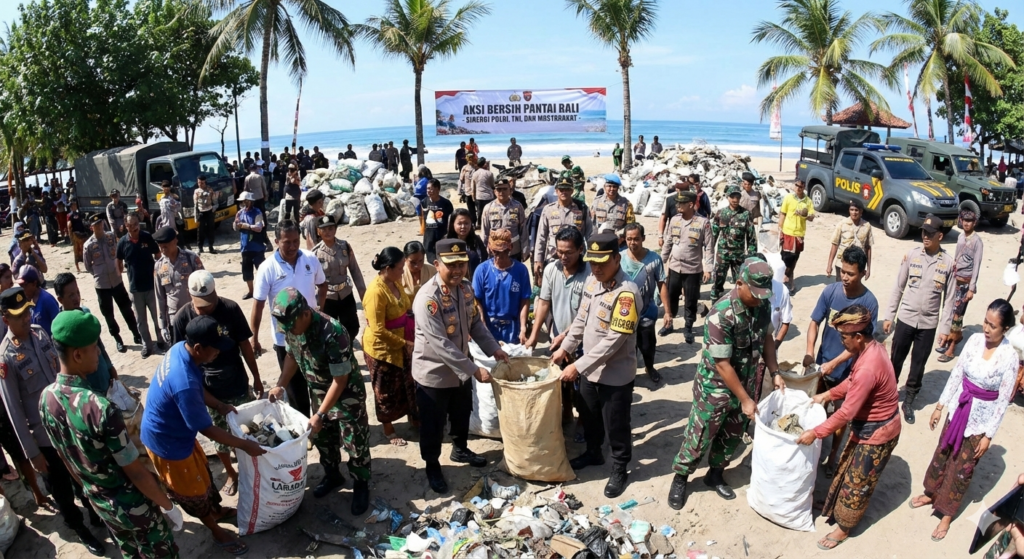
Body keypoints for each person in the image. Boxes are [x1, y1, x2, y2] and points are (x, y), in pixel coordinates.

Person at [40, 310, 182, 558]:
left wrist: (88, 489)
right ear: (77, 354)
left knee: (129, 551)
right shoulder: (99, 408)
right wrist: (167, 505)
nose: (98, 353)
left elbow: (66, 458)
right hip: (133, 505)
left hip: (101, 503)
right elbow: (135, 471)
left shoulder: (46, 399)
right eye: (94, 347)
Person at [142, 315, 266, 556]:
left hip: (181, 435)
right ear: (198, 348)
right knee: (193, 494)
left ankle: (216, 511)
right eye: (215, 348)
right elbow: (207, 429)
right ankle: (216, 532)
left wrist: (219, 405)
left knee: (204, 479)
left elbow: (197, 388)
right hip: (168, 445)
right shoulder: (183, 380)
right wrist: (244, 445)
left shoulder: (181, 349)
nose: (218, 352)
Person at [0, 286, 108, 554]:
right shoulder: (6, 358)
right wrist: (32, 452)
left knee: (83, 473)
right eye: (18, 315)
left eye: (26, 311)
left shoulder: (40, 333)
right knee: (61, 488)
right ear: (5, 320)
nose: (26, 318)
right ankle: (79, 527)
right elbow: (14, 411)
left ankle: (94, 514)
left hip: (69, 422)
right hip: (45, 436)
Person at [667, 258, 780, 510]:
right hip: (715, 388)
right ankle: (681, 477)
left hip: (745, 384)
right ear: (739, 283)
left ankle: (715, 474)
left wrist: (775, 371)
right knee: (700, 434)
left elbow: (768, 338)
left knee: (733, 433)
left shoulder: (761, 305)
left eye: (764, 294)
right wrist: (745, 399)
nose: (760, 299)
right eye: (755, 293)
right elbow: (722, 364)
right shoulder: (721, 314)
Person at [908, 299, 1018, 542]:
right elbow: (958, 372)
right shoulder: (975, 340)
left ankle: (946, 512)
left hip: (980, 419)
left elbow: (1002, 401)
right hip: (958, 409)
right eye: (985, 322)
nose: (986, 329)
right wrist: (940, 406)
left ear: (1005, 329)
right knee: (942, 453)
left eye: (993, 326)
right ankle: (931, 492)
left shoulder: (1009, 356)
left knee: (962, 469)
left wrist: (989, 435)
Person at [796, 305, 901, 551]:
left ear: (859, 337)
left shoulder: (868, 367)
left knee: (858, 482)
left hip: (878, 432)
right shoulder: (870, 350)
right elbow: (851, 383)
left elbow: (847, 412)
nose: (841, 341)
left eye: (844, 337)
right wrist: (827, 395)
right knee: (846, 467)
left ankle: (843, 529)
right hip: (865, 426)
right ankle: (833, 506)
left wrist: (816, 432)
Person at [551, 233, 643, 498]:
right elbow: (580, 320)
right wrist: (565, 348)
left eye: (603, 262)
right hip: (590, 370)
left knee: (616, 424)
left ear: (617, 258)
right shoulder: (593, 282)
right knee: (589, 415)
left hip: (615, 375)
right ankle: (593, 453)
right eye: (592, 262)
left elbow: (614, 342)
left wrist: (577, 366)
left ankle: (619, 468)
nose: (596, 268)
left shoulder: (627, 294)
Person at [413, 239, 508, 493]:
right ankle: (432, 465)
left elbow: (475, 324)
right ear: (436, 264)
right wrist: (474, 370)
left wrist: (494, 348)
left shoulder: (465, 288)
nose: (457, 270)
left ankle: (460, 450)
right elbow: (442, 345)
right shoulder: (427, 299)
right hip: (433, 374)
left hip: (462, 370)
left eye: (462, 264)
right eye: (451, 265)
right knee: (433, 424)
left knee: (461, 411)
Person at [268, 287, 372, 514]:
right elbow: (291, 356)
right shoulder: (292, 326)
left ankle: (361, 484)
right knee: (325, 440)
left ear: (305, 313)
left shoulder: (333, 332)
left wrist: (320, 414)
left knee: (355, 442)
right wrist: (280, 385)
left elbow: (340, 379)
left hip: (346, 397)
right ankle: (333, 475)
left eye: (291, 326)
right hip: (319, 393)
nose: (289, 331)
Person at [170, 271, 262, 498]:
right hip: (208, 389)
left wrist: (256, 377)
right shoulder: (182, 319)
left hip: (237, 381)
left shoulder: (230, 309)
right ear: (190, 297)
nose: (205, 309)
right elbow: (180, 359)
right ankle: (232, 473)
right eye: (200, 306)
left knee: (250, 429)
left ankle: (253, 469)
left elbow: (245, 346)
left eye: (209, 303)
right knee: (219, 438)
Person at [804, 245, 878, 473]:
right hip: (821, 365)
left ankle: (832, 456)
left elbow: (861, 345)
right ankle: (814, 447)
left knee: (840, 415)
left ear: (863, 273)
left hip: (847, 371)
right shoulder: (830, 292)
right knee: (816, 405)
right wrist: (809, 351)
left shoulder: (869, 303)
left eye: (851, 273)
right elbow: (814, 322)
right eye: (842, 271)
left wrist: (835, 363)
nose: (845, 277)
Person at [882, 214, 956, 423]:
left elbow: (949, 300)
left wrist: (944, 329)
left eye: (930, 234)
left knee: (918, 364)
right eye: (924, 232)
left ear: (940, 236)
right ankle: (888, 396)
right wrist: (890, 316)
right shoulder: (911, 256)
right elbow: (898, 287)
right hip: (906, 318)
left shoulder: (949, 264)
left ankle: (908, 401)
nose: (925, 236)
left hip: (928, 323)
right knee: (895, 358)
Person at [251, 220, 326, 417]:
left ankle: (321, 424)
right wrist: (255, 337)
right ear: (276, 241)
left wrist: (319, 311)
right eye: (287, 242)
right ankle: (303, 430)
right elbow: (258, 305)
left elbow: (323, 285)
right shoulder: (267, 268)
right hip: (285, 340)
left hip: (313, 335)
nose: (292, 246)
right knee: (295, 389)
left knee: (319, 383)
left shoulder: (310, 259)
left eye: (295, 241)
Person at [363, 247, 417, 446]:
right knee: (385, 390)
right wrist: (405, 343)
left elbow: (406, 305)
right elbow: (377, 329)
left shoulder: (395, 282)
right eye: (401, 267)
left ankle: (412, 416)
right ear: (387, 268)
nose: (403, 271)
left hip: (403, 341)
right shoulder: (376, 292)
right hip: (382, 349)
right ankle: (388, 428)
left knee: (406, 384)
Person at [52, 273, 120, 395]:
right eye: (71, 295)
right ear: (60, 300)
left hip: (104, 377)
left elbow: (100, 346)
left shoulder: (85, 314)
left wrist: (111, 370)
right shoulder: (61, 329)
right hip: (88, 389)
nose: (76, 298)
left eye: (77, 292)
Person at [660, 192, 713, 343]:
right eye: (677, 203)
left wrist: (708, 268)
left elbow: (709, 247)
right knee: (671, 297)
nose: (677, 206)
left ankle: (688, 327)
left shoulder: (703, 223)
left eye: (681, 203)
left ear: (690, 205)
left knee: (690, 301)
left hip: (693, 269)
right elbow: (668, 241)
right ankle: (669, 323)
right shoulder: (675, 220)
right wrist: (661, 261)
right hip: (675, 267)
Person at [83, 214, 141, 353]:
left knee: (127, 308)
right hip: (102, 285)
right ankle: (118, 339)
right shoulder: (88, 245)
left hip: (116, 280)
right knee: (108, 314)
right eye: (96, 225)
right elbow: (87, 266)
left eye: (100, 223)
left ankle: (136, 334)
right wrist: (99, 273)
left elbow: (118, 253)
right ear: (92, 227)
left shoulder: (110, 237)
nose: (99, 226)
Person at [620, 224, 669, 383]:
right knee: (627, 348)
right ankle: (629, 374)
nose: (632, 242)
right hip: (625, 313)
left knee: (647, 345)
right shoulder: (619, 259)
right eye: (629, 239)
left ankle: (650, 367)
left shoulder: (654, 259)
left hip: (647, 311)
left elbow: (662, 284)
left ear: (643, 239)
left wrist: (667, 312)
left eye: (636, 239)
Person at [938, 210, 984, 362]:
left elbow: (977, 265)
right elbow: (956, 258)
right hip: (955, 280)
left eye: (969, 221)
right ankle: (948, 339)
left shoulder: (977, 241)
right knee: (950, 311)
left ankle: (951, 349)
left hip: (966, 283)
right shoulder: (960, 236)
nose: (966, 223)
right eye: (964, 220)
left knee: (958, 315)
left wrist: (972, 288)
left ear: (974, 223)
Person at [473, 230, 531, 344]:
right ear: (490, 248)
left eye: (504, 252)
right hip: (490, 325)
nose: (500, 256)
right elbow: (477, 299)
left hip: (513, 327)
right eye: (496, 252)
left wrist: (523, 327)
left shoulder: (521, 270)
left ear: (511, 248)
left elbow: (525, 300)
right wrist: (482, 324)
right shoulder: (482, 270)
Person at [115, 214, 161, 358]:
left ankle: (161, 341)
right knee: (141, 320)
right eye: (131, 225)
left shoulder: (147, 237)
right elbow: (118, 260)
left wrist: (157, 271)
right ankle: (147, 346)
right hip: (135, 288)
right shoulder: (123, 242)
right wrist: (120, 274)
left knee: (157, 316)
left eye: (136, 223)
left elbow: (158, 254)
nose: (135, 227)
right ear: (126, 226)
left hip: (151, 285)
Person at [314, 216, 366, 339]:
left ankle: (348, 346)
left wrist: (363, 295)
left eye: (331, 228)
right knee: (329, 330)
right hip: (327, 297)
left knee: (352, 327)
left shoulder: (345, 247)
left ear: (336, 229)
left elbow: (355, 271)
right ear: (318, 231)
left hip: (345, 294)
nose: (328, 232)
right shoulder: (315, 254)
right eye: (324, 229)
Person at [533, 178, 593, 284]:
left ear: (572, 190)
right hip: (553, 258)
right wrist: (538, 260)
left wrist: (592, 257)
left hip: (576, 258)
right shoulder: (548, 210)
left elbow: (590, 234)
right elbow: (541, 237)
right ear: (556, 191)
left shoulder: (582, 208)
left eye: (567, 189)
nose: (564, 192)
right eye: (561, 189)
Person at [153, 227, 204, 350]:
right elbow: (160, 297)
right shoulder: (159, 266)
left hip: (195, 316)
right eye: (160, 246)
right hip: (174, 320)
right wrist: (163, 326)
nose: (162, 250)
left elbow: (204, 286)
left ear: (175, 241)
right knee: (181, 353)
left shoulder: (191, 258)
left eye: (165, 246)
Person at [710, 186, 757, 302]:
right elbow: (713, 235)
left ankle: (739, 304)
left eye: (737, 197)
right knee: (718, 280)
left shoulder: (746, 214)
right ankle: (714, 303)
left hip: (738, 255)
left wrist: (751, 256)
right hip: (722, 255)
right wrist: (709, 253)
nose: (735, 200)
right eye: (732, 197)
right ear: (727, 197)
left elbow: (751, 237)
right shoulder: (721, 214)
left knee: (740, 282)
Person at [777, 180, 815, 292]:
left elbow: (812, 216)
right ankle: (784, 280)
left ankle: (789, 281)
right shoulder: (788, 198)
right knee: (785, 258)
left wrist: (806, 215)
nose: (798, 188)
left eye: (801, 186)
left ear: (804, 188)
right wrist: (780, 229)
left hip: (799, 234)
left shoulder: (807, 201)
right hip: (787, 232)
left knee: (794, 258)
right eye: (796, 185)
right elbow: (783, 213)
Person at [826, 198, 873, 281]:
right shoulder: (842, 224)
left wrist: (868, 268)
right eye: (851, 210)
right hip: (842, 263)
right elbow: (834, 244)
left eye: (856, 210)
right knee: (840, 287)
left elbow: (868, 248)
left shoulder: (867, 226)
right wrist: (829, 265)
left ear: (861, 211)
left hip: (858, 264)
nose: (854, 213)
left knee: (854, 289)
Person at [481, 178, 528, 261]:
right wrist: (484, 250)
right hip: (495, 250)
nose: (501, 192)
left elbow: (523, 230)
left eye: (505, 189)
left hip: (513, 250)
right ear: (494, 191)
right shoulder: (488, 208)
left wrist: (524, 250)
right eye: (498, 189)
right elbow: (485, 231)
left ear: (510, 190)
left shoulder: (517, 206)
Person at [233, 192, 267, 300]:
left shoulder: (257, 212)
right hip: (245, 247)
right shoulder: (240, 213)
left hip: (257, 247)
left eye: (245, 201)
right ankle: (251, 291)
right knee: (247, 271)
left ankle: (265, 291)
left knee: (262, 270)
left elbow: (259, 227)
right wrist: (236, 223)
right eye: (242, 201)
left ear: (250, 202)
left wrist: (245, 226)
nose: (243, 203)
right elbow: (235, 228)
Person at [16, 265, 58, 335]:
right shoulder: (25, 300)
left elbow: (58, 326)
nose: (22, 289)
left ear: (34, 283)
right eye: (20, 285)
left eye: (25, 285)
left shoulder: (47, 300)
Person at [447, 209, 487, 277]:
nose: (463, 227)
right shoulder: (446, 242)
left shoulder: (476, 240)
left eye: (466, 223)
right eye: (459, 224)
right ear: (452, 224)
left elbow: (484, 259)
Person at [422, 178, 453, 262]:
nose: (428, 191)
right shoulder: (424, 202)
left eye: (431, 189)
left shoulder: (446, 203)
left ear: (438, 189)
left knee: (442, 258)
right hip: (429, 236)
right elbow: (423, 218)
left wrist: (447, 234)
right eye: (427, 188)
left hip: (441, 235)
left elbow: (451, 220)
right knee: (430, 259)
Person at [193, 175, 217, 254]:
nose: (200, 184)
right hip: (201, 213)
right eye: (199, 182)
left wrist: (213, 209)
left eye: (202, 183)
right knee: (200, 231)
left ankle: (211, 247)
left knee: (211, 230)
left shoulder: (209, 189)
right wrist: (196, 216)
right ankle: (200, 247)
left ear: (205, 182)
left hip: (209, 212)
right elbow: (195, 204)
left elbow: (214, 200)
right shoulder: (196, 191)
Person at [472, 157, 496, 226]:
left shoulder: (475, 174)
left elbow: (473, 187)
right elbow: (492, 185)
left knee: (480, 212)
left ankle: (479, 225)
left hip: (479, 196)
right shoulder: (489, 173)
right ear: (484, 164)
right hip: (488, 196)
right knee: (489, 212)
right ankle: (489, 224)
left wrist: (473, 197)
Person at [68, 204, 89, 273]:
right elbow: (69, 226)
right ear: (71, 208)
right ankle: (77, 267)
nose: (74, 207)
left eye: (75, 206)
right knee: (77, 251)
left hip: (82, 234)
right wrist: (71, 236)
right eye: (72, 206)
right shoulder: (70, 216)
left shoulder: (80, 214)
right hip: (75, 235)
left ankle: (87, 264)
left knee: (84, 250)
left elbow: (84, 222)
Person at [458, 155, 478, 226]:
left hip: (476, 191)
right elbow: (461, 179)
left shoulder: (476, 167)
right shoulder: (464, 167)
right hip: (467, 191)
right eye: (469, 158)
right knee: (471, 208)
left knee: (478, 208)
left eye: (472, 158)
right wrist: (460, 191)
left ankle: (478, 222)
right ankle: (473, 222)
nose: (471, 159)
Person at [413, 167, 432, 235]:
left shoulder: (426, 180)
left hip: (423, 197)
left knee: (423, 214)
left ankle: (424, 230)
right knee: (420, 214)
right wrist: (415, 181)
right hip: (418, 198)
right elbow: (416, 187)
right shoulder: (422, 180)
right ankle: (422, 229)